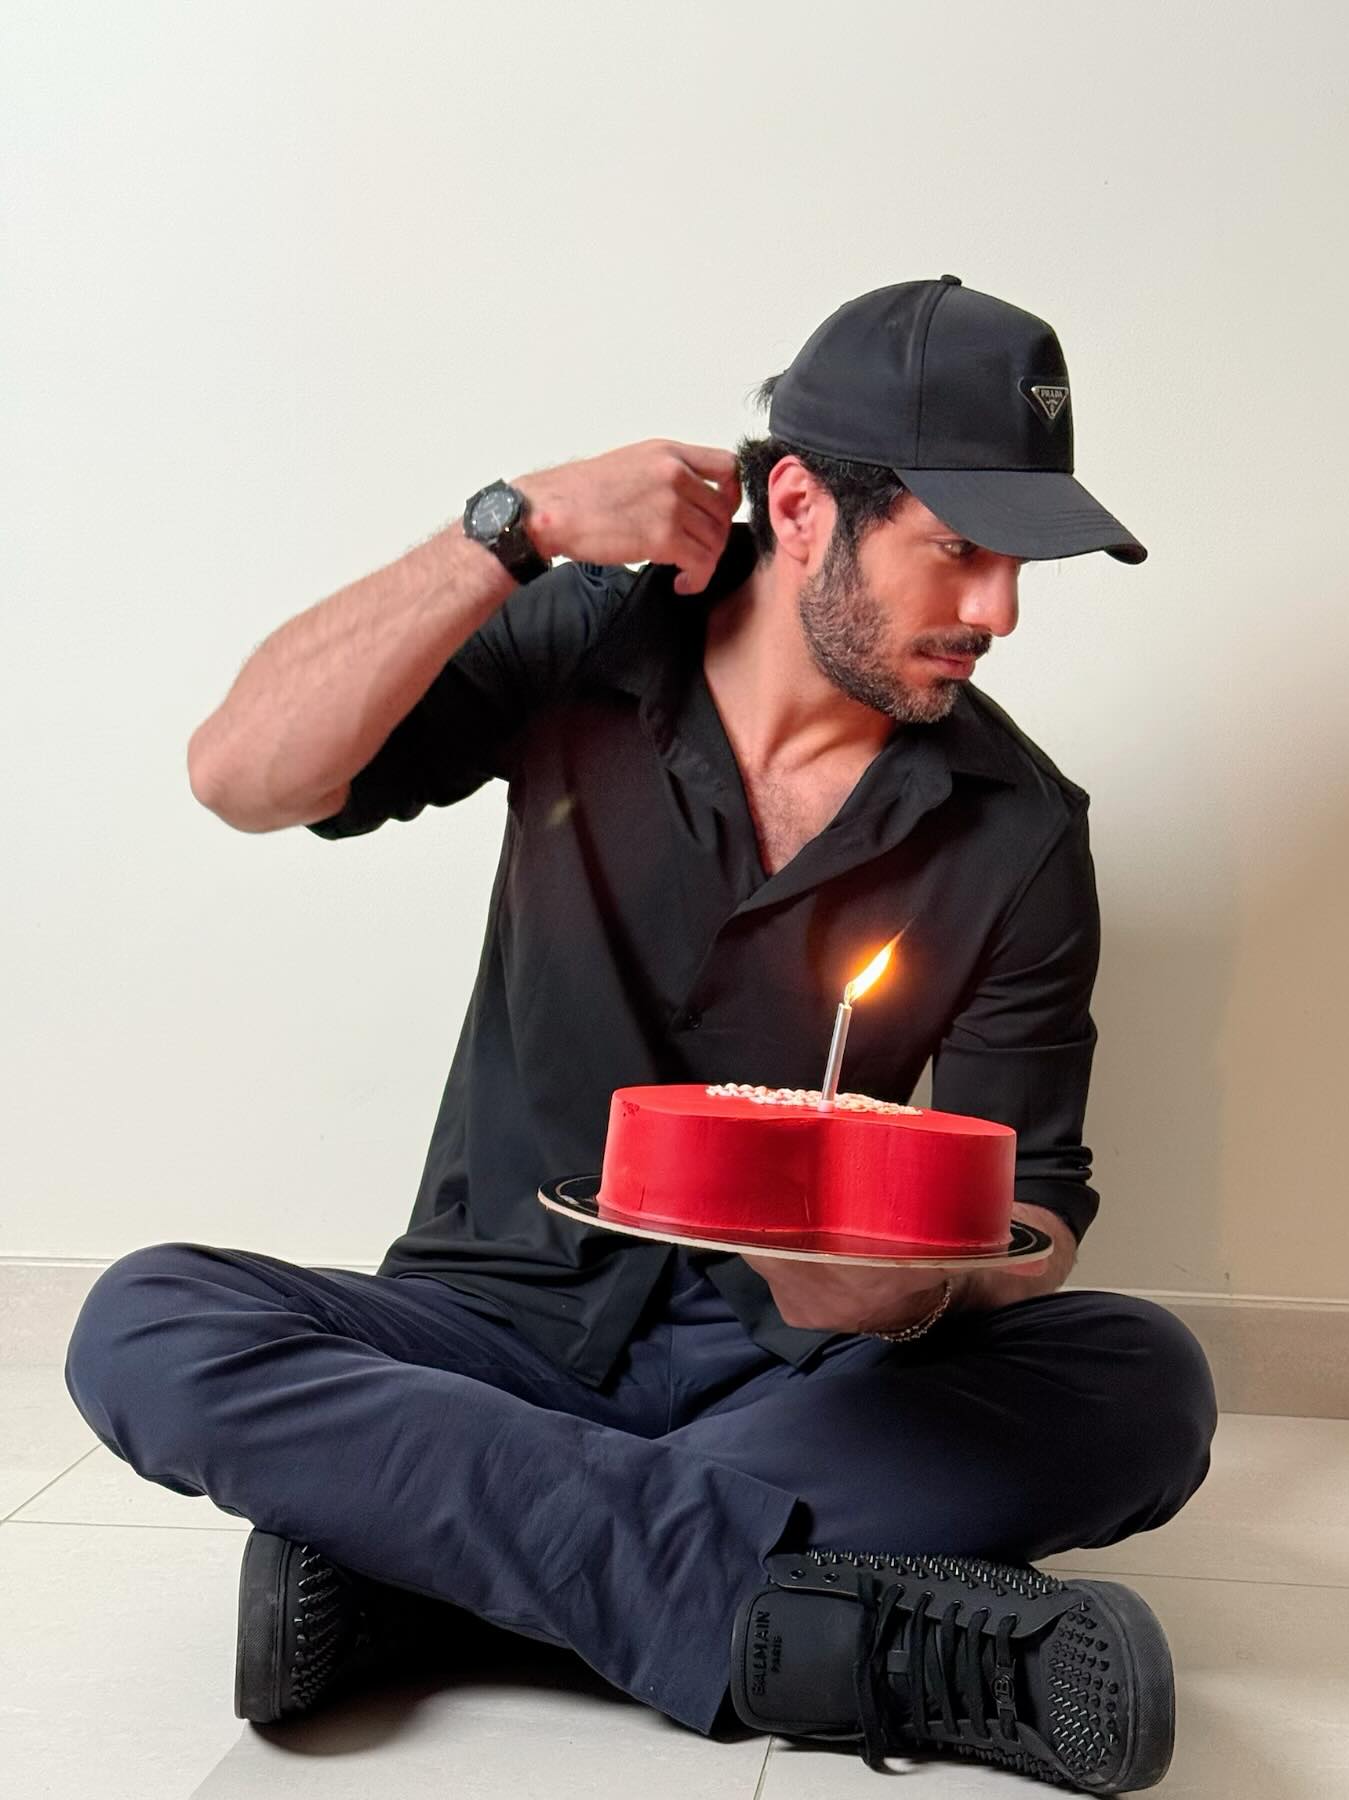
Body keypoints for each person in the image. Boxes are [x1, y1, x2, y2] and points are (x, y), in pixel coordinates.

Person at [64, 276, 1217, 1791]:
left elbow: (1035, 1203)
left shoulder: (1020, 829)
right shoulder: (585, 638)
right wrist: (509, 529)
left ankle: (425, 1568)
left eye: (1022, 565)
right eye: (961, 549)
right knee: (147, 1321)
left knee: (1144, 1378)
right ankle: (834, 1640)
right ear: (799, 506)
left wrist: (915, 1294)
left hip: (798, 1374)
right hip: (495, 1331)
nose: (1000, 612)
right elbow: (241, 774)